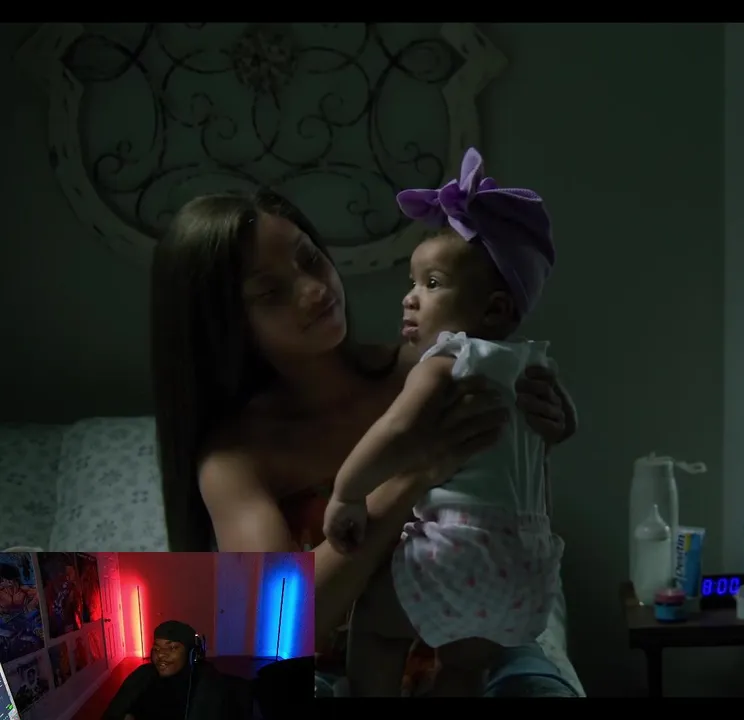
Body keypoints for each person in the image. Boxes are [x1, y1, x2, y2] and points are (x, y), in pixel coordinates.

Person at [149, 182, 580, 696]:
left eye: (309, 259)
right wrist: (413, 474)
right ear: (226, 323)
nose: (313, 289)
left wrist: (548, 425)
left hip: (481, 648)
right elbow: (275, 628)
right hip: (340, 677)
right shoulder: (235, 458)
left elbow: (505, 502)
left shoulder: (431, 369)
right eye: (271, 291)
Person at [324, 148, 561, 697]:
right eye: (413, 282)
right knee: (464, 666)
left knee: (377, 627)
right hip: (527, 565)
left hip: (459, 550)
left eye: (432, 284)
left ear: (494, 309)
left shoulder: (448, 360)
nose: (410, 298)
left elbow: (396, 432)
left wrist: (347, 493)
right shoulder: (534, 367)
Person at [102, 621, 239, 720]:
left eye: (173, 648)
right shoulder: (143, 675)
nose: (161, 654)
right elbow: (115, 712)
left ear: (192, 654)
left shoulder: (208, 683)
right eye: (157, 648)